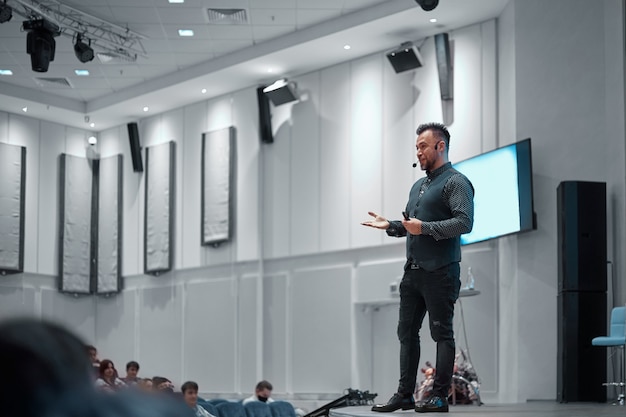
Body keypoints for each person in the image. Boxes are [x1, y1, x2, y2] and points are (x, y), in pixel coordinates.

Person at [362, 122, 474, 413]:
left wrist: (423, 227)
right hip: (412, 272)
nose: (418, 151)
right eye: (417, 147)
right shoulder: (418, 186)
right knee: (406, 333)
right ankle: (405, 395)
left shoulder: (456, 181)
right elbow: (414, 227)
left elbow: (464, 223)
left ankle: (438, 396)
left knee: (441, 334)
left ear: (441, 146)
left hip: (441, 271)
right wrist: (392, 226)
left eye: (423, 146)